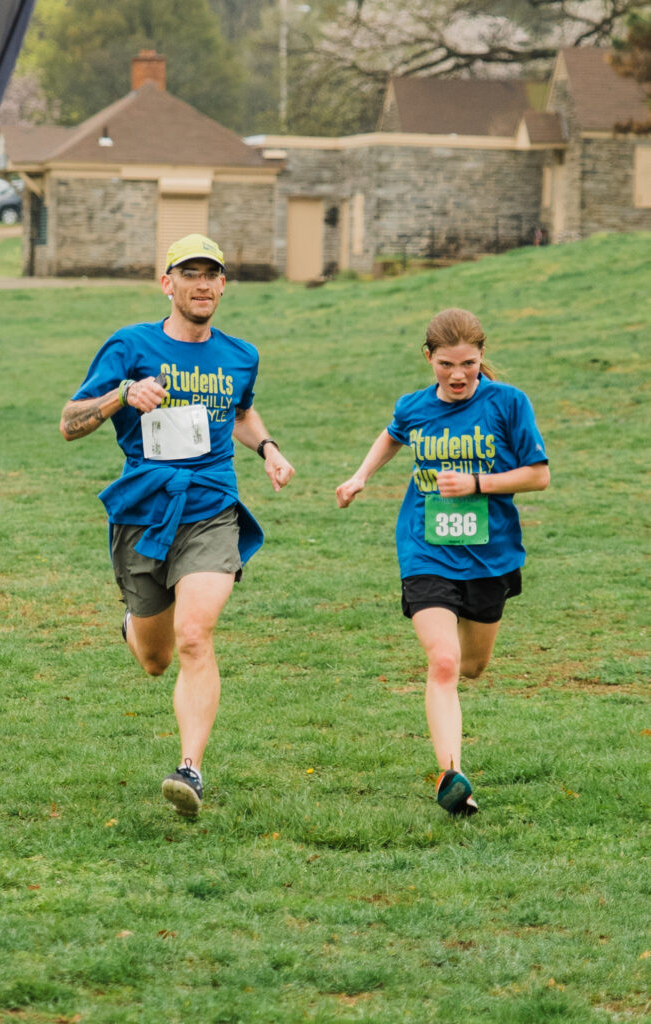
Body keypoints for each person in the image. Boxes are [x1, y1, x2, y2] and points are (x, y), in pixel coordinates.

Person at [60, 233, 294, 817]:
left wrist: (266, 447)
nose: (202, 285)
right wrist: (123, 392)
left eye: (212, 275)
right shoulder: (130, 345)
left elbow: (239, 410)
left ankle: (189, 768)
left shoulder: (241, 354)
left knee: (194, 635)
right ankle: (135, 626)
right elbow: (69, 423)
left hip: (212, 510)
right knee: (155, 657)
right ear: (167, 283)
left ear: (223, 285)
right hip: (144, 513)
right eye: (189, 274)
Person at [336, 308, 549, 816]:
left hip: (489, 554)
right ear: (428, 358)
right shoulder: (414, 407)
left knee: (472, 665)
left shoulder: (508, 403)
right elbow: (393, 433)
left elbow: (538, 476)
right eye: (447, 364)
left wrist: (477, 484)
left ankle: (453, 757)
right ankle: (452, 776)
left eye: (469, 364)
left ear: (481, 357)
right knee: (444, 661)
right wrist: (362, 474)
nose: (458, 375)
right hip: (425, 548)